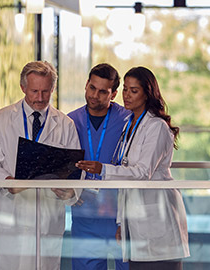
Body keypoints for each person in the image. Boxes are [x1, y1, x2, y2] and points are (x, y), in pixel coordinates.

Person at [76, 66, 190, 270]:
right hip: (134, 222)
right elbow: (126, 178)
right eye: (126, 90)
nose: (127, 96)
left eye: (134, 91)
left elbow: (141, 173)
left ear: (148, 94)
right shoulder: (130, 123)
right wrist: (122, 224)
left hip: (157, 220)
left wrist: (102, 169)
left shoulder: (156, 127)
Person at [0, 61, 81, 270]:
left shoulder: (65, 124)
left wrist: (69, 191)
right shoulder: (2, 118)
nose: (40, 98)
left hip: (48, 216)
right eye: (34, 91)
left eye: (46, 91)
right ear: (23, 87)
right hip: (12, 210)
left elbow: (76, 171)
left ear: (53, 89)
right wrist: (9, 182)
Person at [67, 63, 130, 270]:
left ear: (113, 94)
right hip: (85, 216)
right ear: (86, 85)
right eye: (92, 88)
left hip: (121, 217)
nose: (95, 95)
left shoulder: (127, 120)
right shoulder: (69, 121)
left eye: (103, 91)